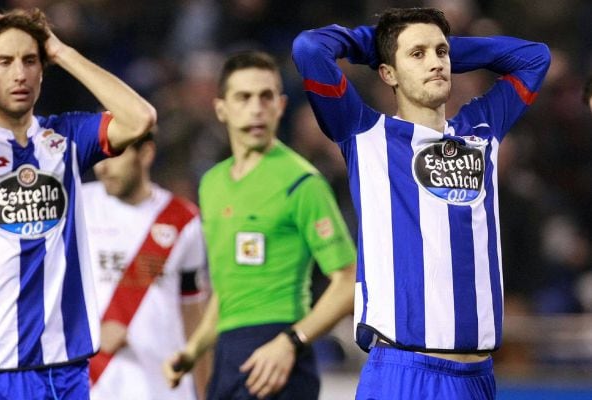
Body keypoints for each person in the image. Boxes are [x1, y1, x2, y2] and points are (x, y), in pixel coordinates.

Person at [292, 7, 550, 399]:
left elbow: (535, 57)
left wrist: (431, 49)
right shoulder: (364, 133)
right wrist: (378, 45)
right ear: (388, 73)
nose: (436, 63)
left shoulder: (482, 129)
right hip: (404, 372)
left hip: (478, 377)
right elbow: (310, 48)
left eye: (442, 53)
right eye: (418, 55)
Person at [0, 8, 156, 400]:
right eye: (4, 62)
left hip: (57, 372)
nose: (20, 73)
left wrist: (61, 51)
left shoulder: (68, 136)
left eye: (30, 60)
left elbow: (140, 118)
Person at [163, 51, 357, 400]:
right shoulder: (211, 183)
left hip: (281, 356)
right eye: (243, 97)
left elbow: (348, 281)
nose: (256, 108)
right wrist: (193, 350)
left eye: (266, 96)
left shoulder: (303, 182)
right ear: (221, 108)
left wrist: (291, 341)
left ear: (281, 105)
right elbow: (226, 289)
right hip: (227, 354)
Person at [81, 133, 210, 400]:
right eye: (98, 156)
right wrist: (90, 330)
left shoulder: (183, 220)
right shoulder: (77, 206)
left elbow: (193, 314)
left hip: (161, 387)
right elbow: (41, 291)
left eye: (114, 154)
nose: (102, 166)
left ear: (146, 154)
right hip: (92, 386)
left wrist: (206, 390)